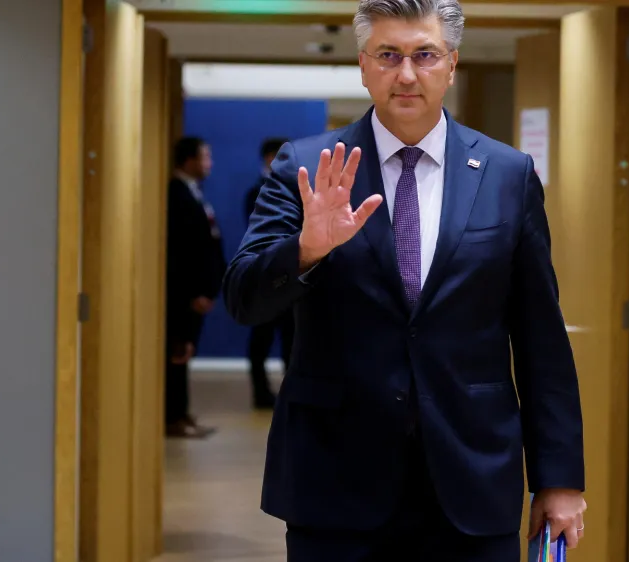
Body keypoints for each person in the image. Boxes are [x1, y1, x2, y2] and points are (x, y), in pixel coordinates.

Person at [223, 0, 587, 559]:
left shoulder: (506, 175)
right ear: (363, 65)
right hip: (336, 479)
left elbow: (541, 337)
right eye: (389, 55)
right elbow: (244, 299)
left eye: (425, 55)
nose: (408, 74)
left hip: (472, 477)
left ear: (452, 64)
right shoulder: (307, 166)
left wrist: (558, 478)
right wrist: (307, 249)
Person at [165, 136, 226, 439]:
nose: (209, 164)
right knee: (177, 351)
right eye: (205, 157)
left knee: (186, 351)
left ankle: (181, 412)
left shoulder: (194, 192)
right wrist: (195, 292)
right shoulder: (176, 195)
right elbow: (181, 251)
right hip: (184, 295)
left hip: (199, 292)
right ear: (188, 160)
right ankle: (172, 416)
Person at [242, 137, 295, 409]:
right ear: (270, 158)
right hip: (264, 275)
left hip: (292, 274)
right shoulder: (257, 191)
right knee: (261, 338)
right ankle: (261, 393)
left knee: (293, 337)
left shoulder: (295, 188)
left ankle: (291, 391)